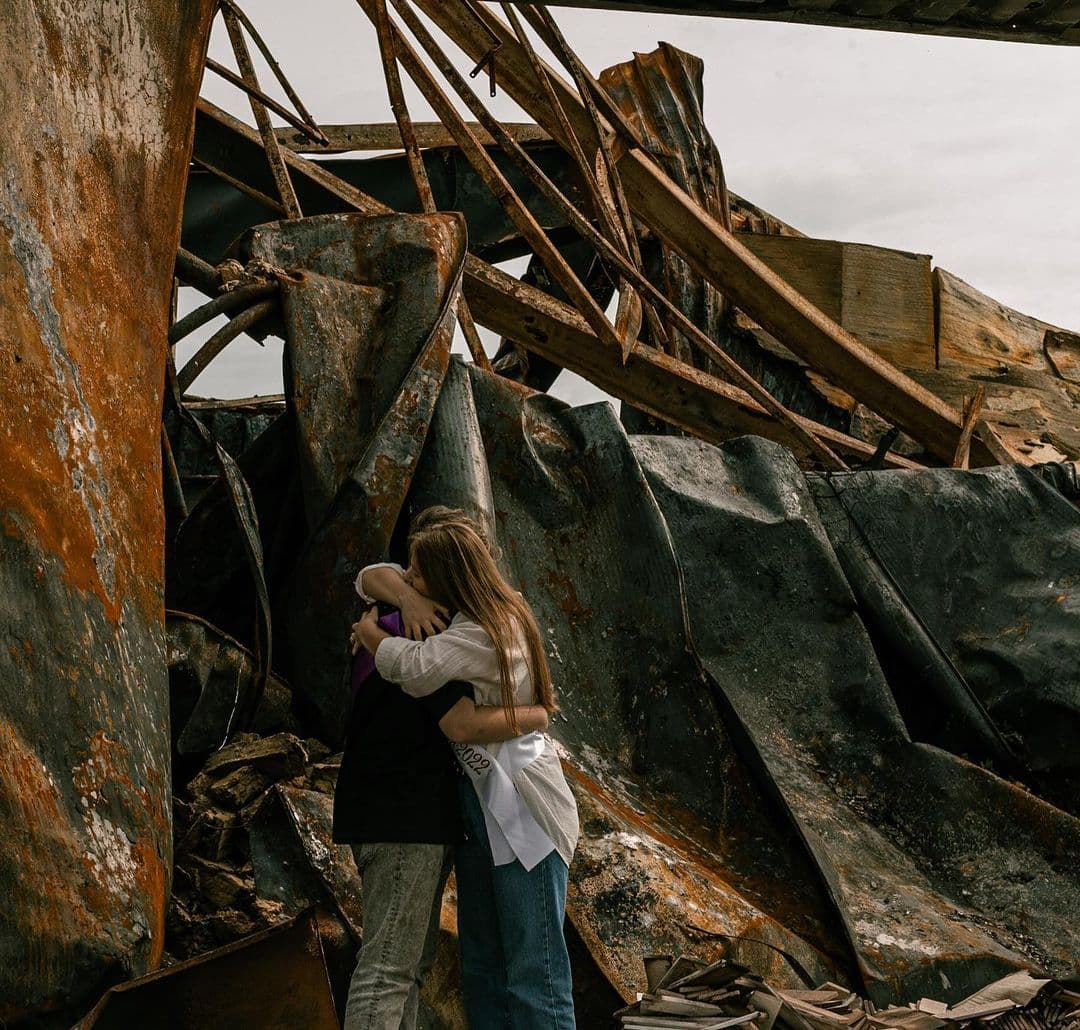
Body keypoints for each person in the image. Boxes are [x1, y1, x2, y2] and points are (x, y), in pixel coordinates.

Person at [352, 506, 579, 1030]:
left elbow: (417, 671)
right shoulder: (479, 611)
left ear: (451, 578)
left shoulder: (483, 631)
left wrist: (371, 634)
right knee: (484, 968)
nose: (408, 578)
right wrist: (405, 595)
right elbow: (368, 576)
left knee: (534, 975)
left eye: (418, 573)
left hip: (522, 806)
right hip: (480, 810)